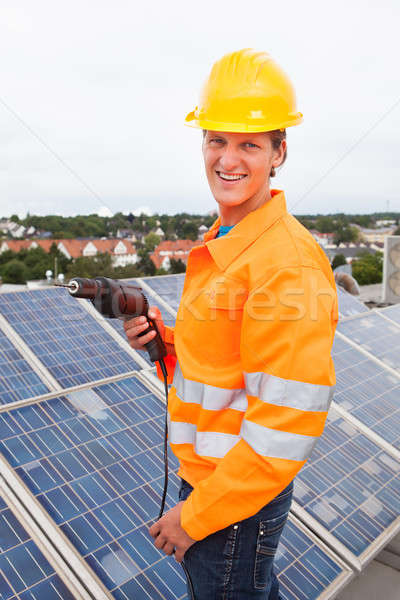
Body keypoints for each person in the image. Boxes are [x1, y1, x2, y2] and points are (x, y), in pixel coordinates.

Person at [124, 48, 338, 600]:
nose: (229, 159)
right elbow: (230, 362)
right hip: (220, 487)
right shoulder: (228, 240)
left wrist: (193, 519)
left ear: (279, 152)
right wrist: (167, 342)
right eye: (217, 139)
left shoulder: (284, 263)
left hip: (232, 505)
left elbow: (283, 429)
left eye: (250, 143)